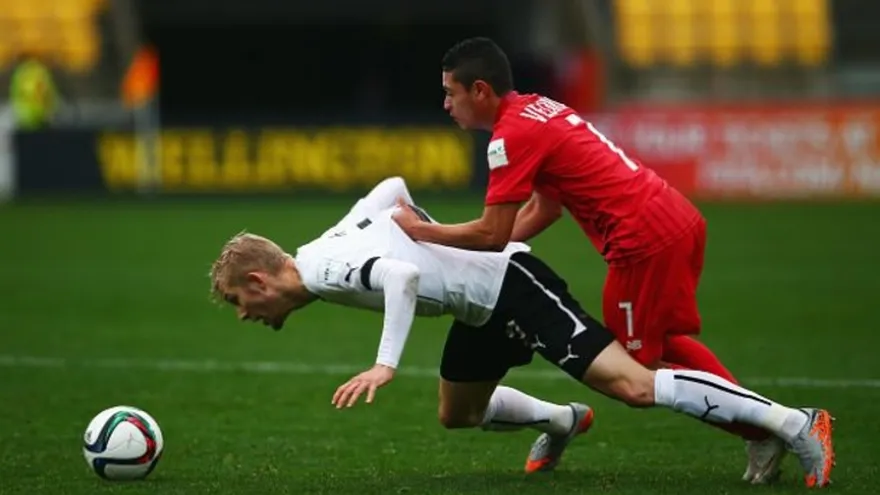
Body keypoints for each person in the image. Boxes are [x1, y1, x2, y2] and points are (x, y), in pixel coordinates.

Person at [209, 177, 834, 488]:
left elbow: (398, 276)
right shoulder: (323, 246)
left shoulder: (321, 268)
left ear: (262, 282)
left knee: (634, 386)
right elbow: (393, 190)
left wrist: (386, 364)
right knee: (458, 413)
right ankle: (561, 420)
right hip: (477, 305)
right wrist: (433, 244)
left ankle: (793, 423)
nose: (245, 315)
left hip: (512, 284)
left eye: (241, 302)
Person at [390, 37, 787, 484]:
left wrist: (423, 232)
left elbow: (492, 232)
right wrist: (477, 248)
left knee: (636, 371)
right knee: (659, 346)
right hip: (675, 217)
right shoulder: (537, 108)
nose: (445, 104)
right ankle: (765, 427)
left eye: (450, 93)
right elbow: (544, 209)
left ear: (480, 90)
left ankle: (774, 426)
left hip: (643, 242)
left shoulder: (510, 136)